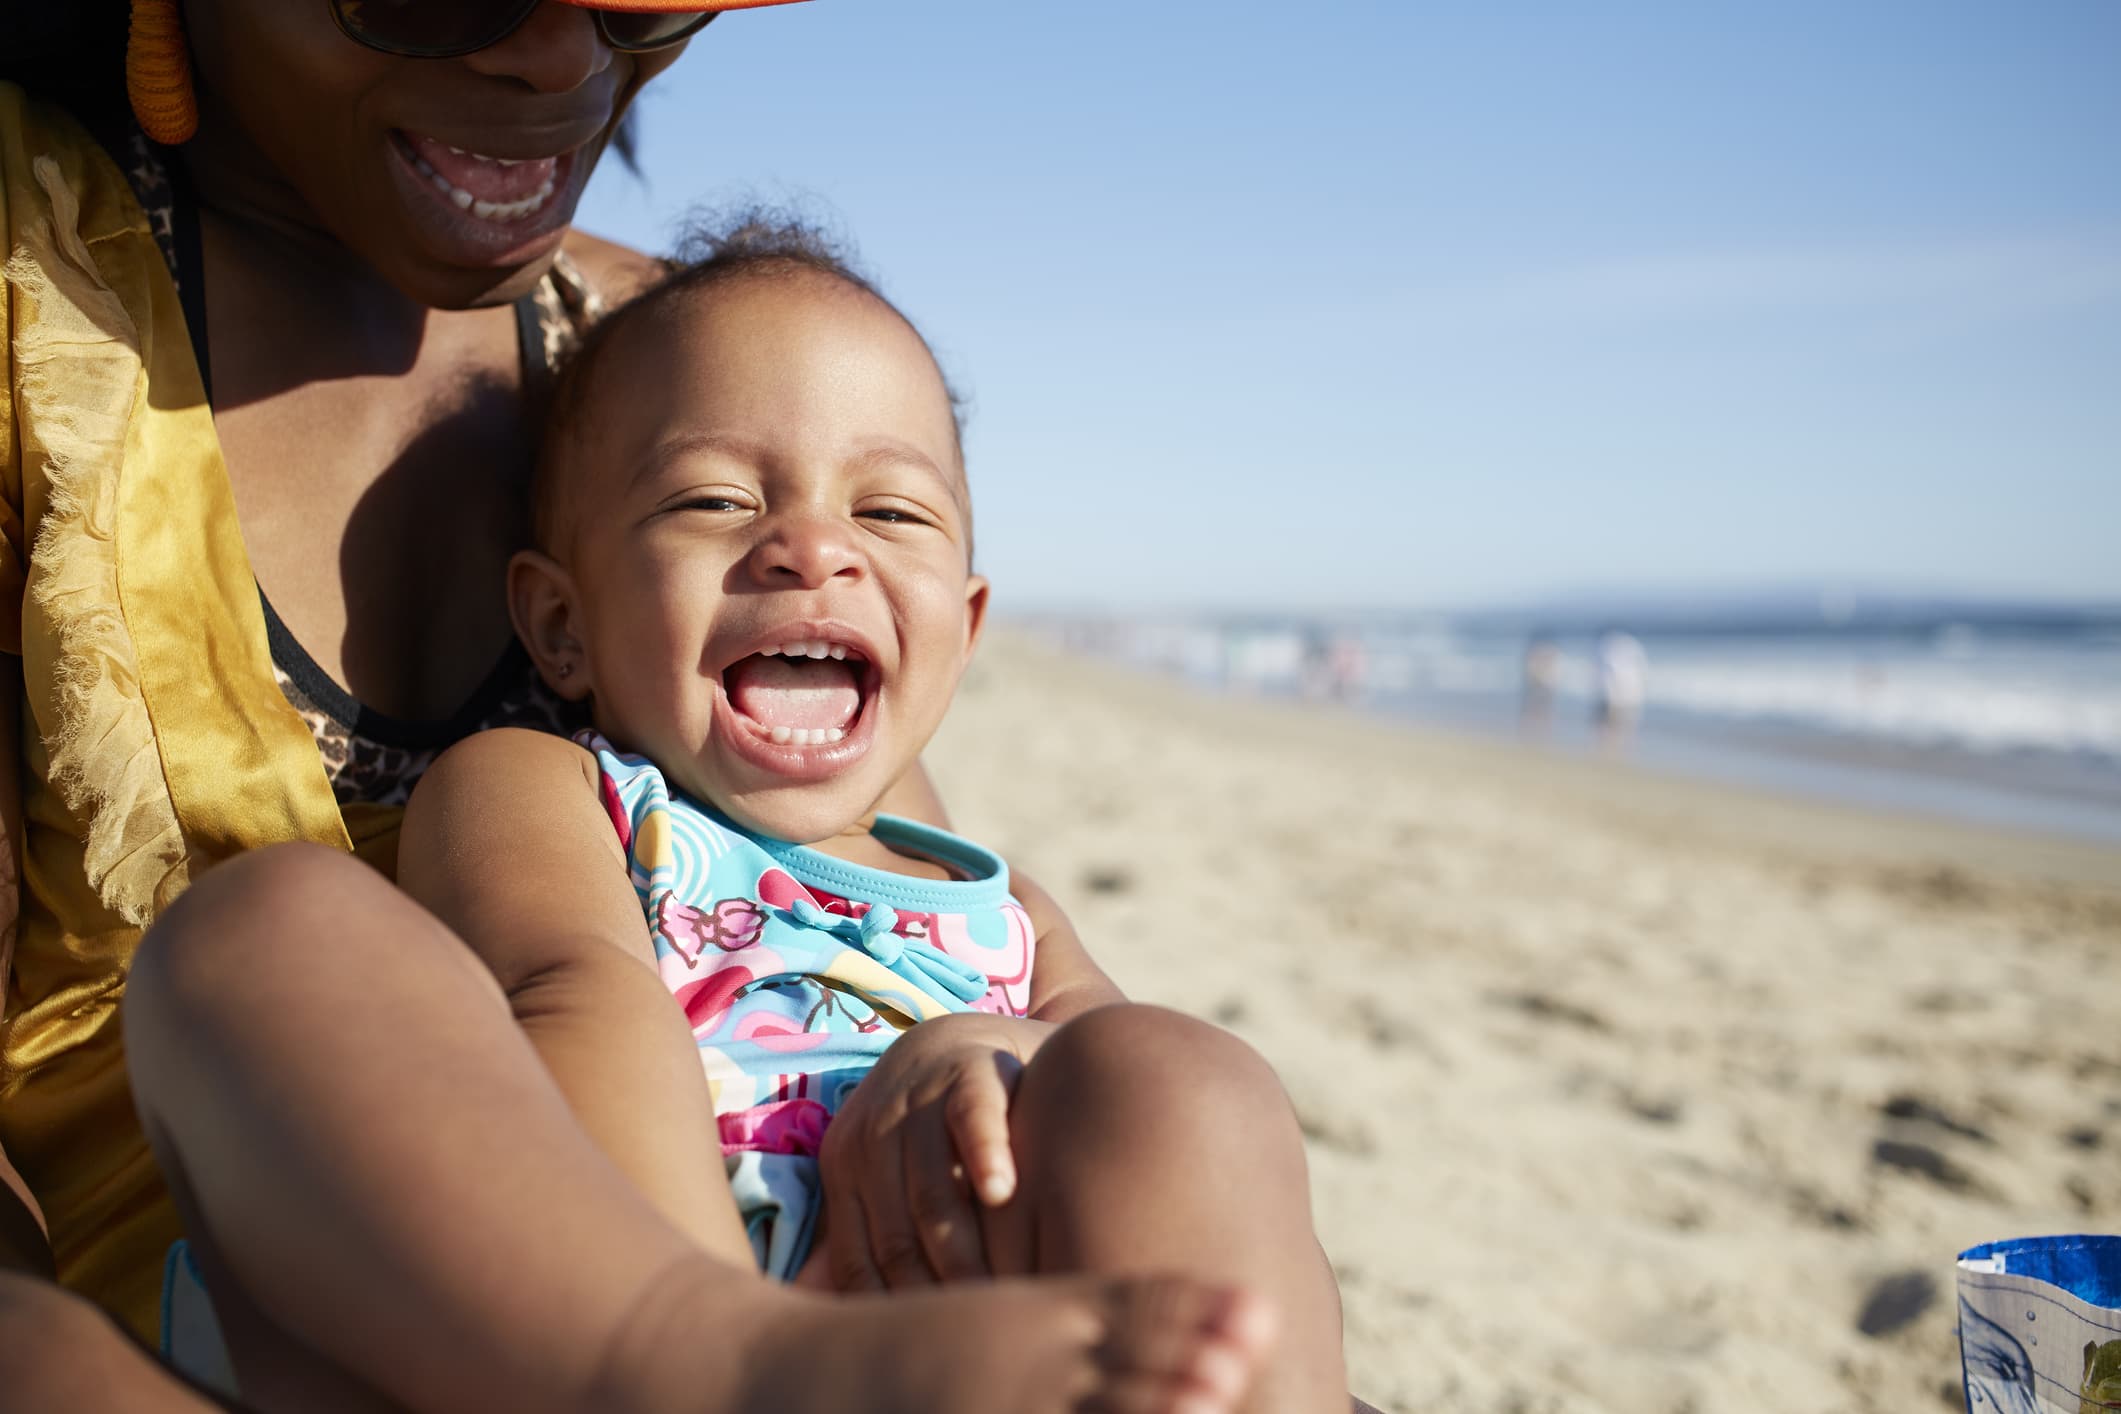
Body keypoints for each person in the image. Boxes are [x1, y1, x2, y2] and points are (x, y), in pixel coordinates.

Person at [138, 218, 1344, 1411]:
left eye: (891, 513)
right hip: (611, 1325)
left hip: (967, 1334)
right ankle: (701, 1356)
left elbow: (1114, 1076)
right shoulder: (559, 790)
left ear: (964, 631)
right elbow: (572, 991)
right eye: (713, 500)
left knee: (1185, 1071)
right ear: (561, 624)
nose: (811, 547)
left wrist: (989, 1049)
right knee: (257, 928)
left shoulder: (1008, 907)